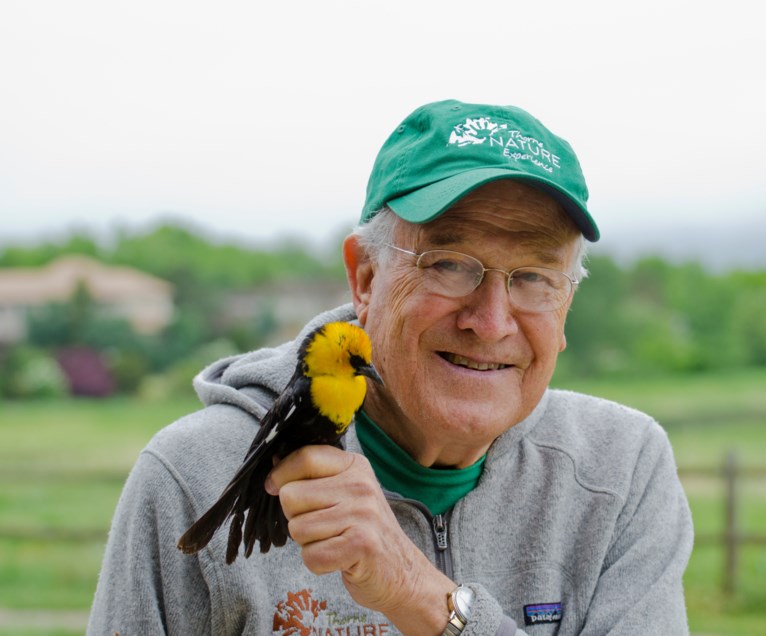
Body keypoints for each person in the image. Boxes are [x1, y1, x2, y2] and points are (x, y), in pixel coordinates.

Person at [88, 99, 693, 635]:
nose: (490, 320)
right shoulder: (191, 477)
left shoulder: (622, 471)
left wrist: (424, 599)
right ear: (366, 279)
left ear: (566, 308)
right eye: (449, 263)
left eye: (534, 277)